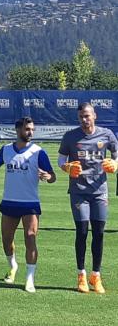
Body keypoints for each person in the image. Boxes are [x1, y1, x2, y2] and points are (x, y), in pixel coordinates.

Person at [0, 117, 56, 293]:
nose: (30, 132)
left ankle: (30, 279)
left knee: (30, 237)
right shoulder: (6, 150)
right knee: (6, 240)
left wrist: (49, 177)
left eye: (32, 129)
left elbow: (52, 176)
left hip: (30, 203)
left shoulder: (39, 152)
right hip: (10, 201)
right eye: (27, 129)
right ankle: (13, 267)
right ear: (17, 130)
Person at [58, 102, 118, 294]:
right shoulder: (70, 136)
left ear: (95, 116)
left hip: (100, 191)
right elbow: (61, 159)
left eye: (87, 116)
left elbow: (117, 156)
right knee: (82, 231)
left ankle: (96, 275)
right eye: (81, 117)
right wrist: (67, 167)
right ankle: (81, 275)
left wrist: (115, 164)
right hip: (79, 191)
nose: (85, 120)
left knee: (99, 232)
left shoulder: (107, 135)